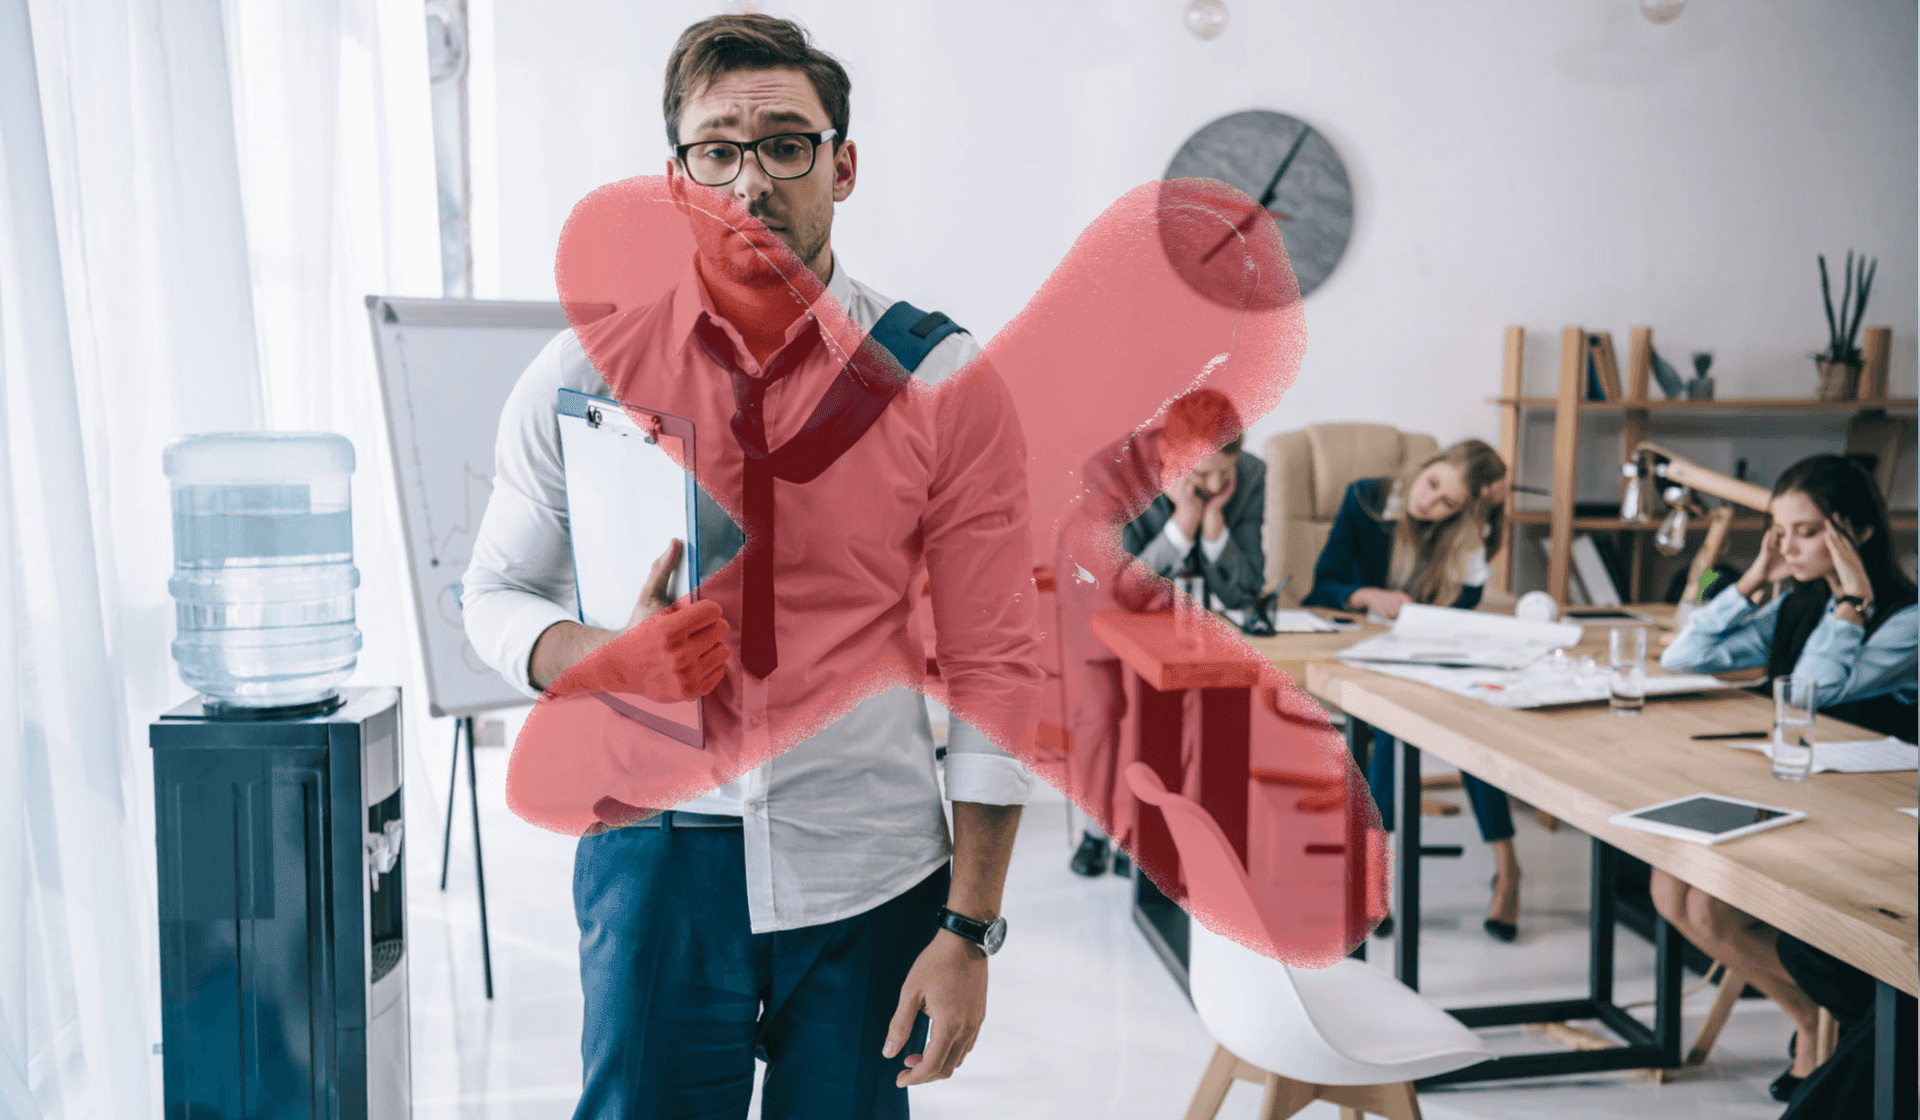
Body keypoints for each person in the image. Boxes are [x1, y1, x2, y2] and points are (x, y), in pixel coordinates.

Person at [461, 15, 1039, 1118]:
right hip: (656, 865)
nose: (750, 183)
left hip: (870, 875)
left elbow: (999, 662)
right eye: (716, 152)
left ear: (843, 163)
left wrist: (968, 928)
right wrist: (600, 655)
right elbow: (492, 595)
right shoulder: (583, 368)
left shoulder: (937, 373)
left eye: (785, 144)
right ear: (677, 181)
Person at [1653, 452, 1917, 1102]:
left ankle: (1852, 1036)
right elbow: (1685, 655)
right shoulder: (1799, 600)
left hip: (1867, 816)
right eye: (1778, 531)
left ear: (1852, 532)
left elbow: (1813, 693)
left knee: (1709, 900)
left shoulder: (1906, 618)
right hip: (1795, 792)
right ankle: (1811, 1019)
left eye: (1803, 532)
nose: (1786, 547)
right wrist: (1751, 583)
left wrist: (1853, 603)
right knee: (1670, 887)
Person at [1301, 439, 1521, 941]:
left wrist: (1477, 525)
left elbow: (1463, 605)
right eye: (1433, 485)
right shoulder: (1365, 500)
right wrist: (1365, 594)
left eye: (1449, 503)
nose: (1431, 502)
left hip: (1426, 661)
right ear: (1424, 468)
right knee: (1392, 724)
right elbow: (1322, 584)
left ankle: (1508, 873)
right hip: (1363, 655)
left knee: (1470, 730)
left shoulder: (1457, 534)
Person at [1062, 390, 1266, 876]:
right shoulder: (1112, 474)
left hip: (1174, 616)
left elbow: (1246, 590)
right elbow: (1119, 592)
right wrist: (1182, 523)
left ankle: (1164, 836)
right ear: (1170, 457)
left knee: (1201, 701)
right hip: (1096, 602)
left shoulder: (1250, 475)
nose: (1216, 483)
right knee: (1102, 712)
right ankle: (1097, 833)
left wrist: (1213, 522)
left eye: (1224, 472)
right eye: (1201, 475)